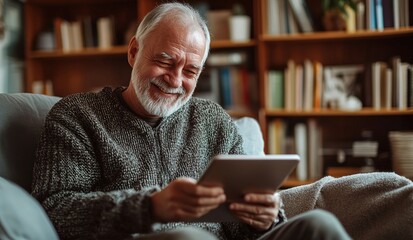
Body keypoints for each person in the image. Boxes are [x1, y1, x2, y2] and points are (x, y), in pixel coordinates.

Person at [32, 2, 351, 240]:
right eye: (164, 61)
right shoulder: (77, 116)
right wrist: (150, 207)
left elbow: (240, 229)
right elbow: (57, 212)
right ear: (134, 52)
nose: (174, 80)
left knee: (319, 225)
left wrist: (265, 218)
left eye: (190, 71)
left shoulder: (213, 121)